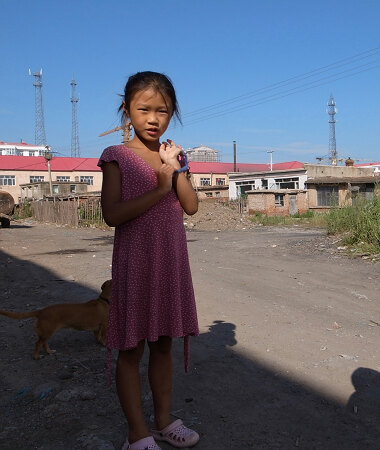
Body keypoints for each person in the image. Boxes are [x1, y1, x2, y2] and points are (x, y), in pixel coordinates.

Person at [99, 71, 200, 450]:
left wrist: (177, 170)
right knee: (131, 347)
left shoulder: (172, 156)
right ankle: (136, 433)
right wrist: (160, 186)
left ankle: (162, 421)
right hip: (135, 263)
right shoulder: (116, 157)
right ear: (127, 110)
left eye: (163, 111)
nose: (153, 118)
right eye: (144, 109)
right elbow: (112, 215)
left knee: (162, 344)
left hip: (170, 261)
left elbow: (190, 207)